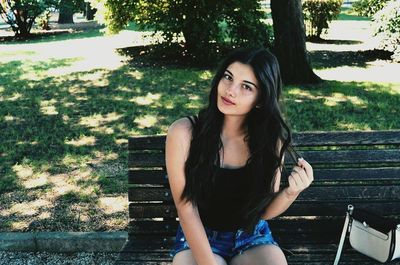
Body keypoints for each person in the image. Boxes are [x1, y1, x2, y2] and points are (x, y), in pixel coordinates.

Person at [165, 47, 314, 265]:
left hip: (250, 235)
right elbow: (186, 208)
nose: (230, 90)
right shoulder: (183, 133)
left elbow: (263, 212)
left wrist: (291, 192)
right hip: (199, 234)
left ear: (261, 99)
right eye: (228, 77)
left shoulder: (270, 142)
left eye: (246, 86)